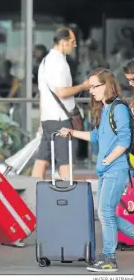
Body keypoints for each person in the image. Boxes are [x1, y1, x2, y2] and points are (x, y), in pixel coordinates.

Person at [58, 68, 134, 272]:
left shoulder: (118, 108)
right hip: (107, 171)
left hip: (115, 170)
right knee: (107, 214)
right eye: (90, 86)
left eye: (94, 86)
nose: (91, 91)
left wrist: (107, 160)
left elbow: (125, 140)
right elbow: (96, 136)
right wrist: (72, 132)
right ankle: (108, 256)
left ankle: (109, 259)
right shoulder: (106, 108)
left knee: (106, 212)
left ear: (106, 85)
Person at [31, 27, 90, 180]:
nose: (74, 45)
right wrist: (83, 86)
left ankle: (31, 196)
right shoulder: (59, 63)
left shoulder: (44, 62)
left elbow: (43, 96)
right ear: (63, 42)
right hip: (61, 119)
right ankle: (67, 198)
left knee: (41, 161)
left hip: (47, 119)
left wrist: (41, 121)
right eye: (72, 42)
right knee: (66, 160)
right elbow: (62, 92)